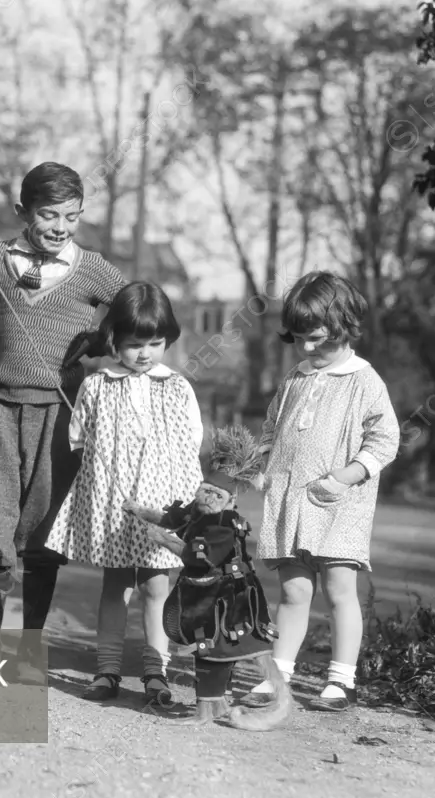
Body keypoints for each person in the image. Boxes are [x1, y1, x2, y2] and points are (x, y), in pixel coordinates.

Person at [0, 163, 125, 680]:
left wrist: (103, 340)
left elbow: (136, 308)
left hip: (58, 417)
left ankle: (30, 648)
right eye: (48, 214)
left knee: (42, 525)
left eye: (71, 216)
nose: (60, 226)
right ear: (23, 212)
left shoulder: (92, 269)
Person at [240, 271, 400, 711]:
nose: (307, 348)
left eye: (316, 339)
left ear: (345, 325)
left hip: (337, 504)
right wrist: (260, 464)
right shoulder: (296, 376)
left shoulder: (364, 380)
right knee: (293, 591)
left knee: (338, 590)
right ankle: (279, 675)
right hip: (289, 501)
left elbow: (385, 439)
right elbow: (274, 424)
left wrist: (345, 477)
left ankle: (341, 680)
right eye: (299, 339)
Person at [45, 282, 203, 705]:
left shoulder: (177, 387)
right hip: (115, 507)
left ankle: (157, 672)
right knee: (115, 586)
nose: (145, 353)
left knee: (156, 588)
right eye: (134, 344)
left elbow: (191, 444)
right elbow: (78, 439)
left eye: (155, 343)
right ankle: (107, 670)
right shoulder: (97, 385)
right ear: (114, 340)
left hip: (161, 509)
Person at [128, 425, 293, 729]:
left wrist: (164, 540)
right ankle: (214, 707)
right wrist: (139, 511)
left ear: (230, 500)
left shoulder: (225, 523)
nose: (207, 498)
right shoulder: (199, 509)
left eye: (215, 494)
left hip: (229, 603)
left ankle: (208, 712)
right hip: (211, 596)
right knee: (214, 651)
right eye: (204, 491)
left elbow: (196, 556)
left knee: (214, 648)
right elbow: (172, 519)